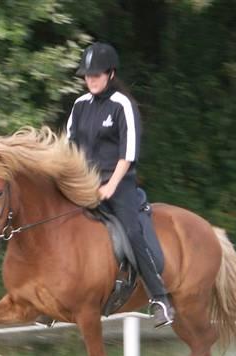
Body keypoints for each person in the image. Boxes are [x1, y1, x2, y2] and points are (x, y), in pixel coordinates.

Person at [67, 41, 175, 328]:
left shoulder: (122, 105)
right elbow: (69, 149)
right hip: (85, 184)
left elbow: (128, 154)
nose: (91, 79)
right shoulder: (79, 106)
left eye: (97, 74)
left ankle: (160, 298)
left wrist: (110, 186)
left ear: (111, 74)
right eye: (88, 75)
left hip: (118, 184)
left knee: (132, 231)